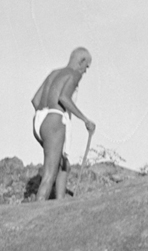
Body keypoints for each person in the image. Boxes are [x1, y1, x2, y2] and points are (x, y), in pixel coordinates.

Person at [30, 47, 96, 201]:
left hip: (39, 120)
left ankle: (60, 202)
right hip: (55, 120)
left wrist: (45, 118)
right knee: (49, 174)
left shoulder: (54, 73)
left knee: (64, 164)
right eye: (86, 67)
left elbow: (35, 100)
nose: (85, 71)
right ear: (81, 62)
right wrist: (85, 120)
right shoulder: (74, 74)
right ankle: (36, 216)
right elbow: (64, 98)